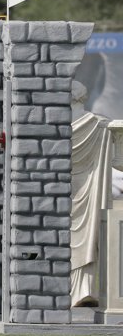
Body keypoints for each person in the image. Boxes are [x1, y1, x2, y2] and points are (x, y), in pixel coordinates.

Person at [69, 80, 113, 307]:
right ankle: (84, 289)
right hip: (90, 191)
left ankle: (80, 290)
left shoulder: (56, 128)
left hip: (68, 191)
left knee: (77, 237)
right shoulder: (99, 125)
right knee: (89, 236)